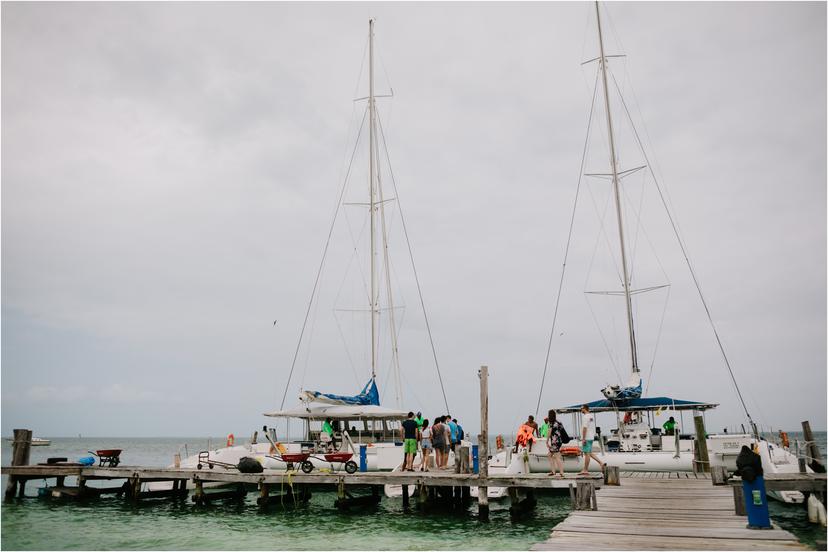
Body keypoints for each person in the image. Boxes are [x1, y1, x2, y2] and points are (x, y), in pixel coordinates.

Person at [579, 404, 605, 475]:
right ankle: (601, 463)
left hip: (587, 437)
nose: (581, 410)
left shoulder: (585, 417)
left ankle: (585, 470)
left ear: (585, 409)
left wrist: (583, 439)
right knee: (589, 453)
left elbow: (585, 428)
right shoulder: (591, 416)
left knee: (587, 454)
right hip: (591, 437)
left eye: (581, 408)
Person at [546, 410, 565, 478]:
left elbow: (549, 432)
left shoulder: (551, 422)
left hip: (555, 441)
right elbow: (562, 430)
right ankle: (553, 471)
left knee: (557, 457)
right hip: (559, 441)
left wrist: (547, 441)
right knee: (549, 455)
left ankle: (561, 472)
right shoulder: (558, 422)